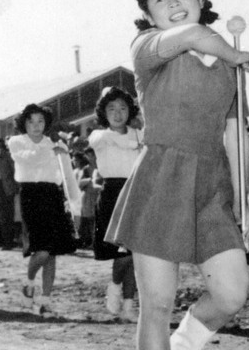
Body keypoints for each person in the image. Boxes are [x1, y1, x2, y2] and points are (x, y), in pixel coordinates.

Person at [104, 0, 249, 350]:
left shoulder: (228, 67)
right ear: (148, 14)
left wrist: (246, 199)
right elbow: (191, 36)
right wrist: (235, 52)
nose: (173, 2)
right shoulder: (147, 47)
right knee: (156, 303)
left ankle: (183, 344)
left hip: (213, 186)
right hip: (161, 179)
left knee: (231, 294)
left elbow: (235, 134)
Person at [7, 104, 79, 315]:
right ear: (24, 124)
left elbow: (68, 176)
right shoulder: (16, 142)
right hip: (30, 195)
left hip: (52, 196)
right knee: (41, 250)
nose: (36, 126)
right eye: (31, 121)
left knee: (52, 253)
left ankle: (45, 300)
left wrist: (76, 205)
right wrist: (53, 149)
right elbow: (29, 157)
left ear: (46, 123)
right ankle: (29, 281)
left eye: (40, 121)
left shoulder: (55, 144)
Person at [88, 86, 142, 322]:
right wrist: (134, 142)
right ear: (103, 112)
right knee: (122, 253)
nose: (118, 113)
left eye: (123, 108)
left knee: (135, 255)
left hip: (137, 192)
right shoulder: (98, 136)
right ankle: (114, 286)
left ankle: (129, 305)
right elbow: (116, 141)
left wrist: (139, 136)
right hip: (112, 193)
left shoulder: (139, 134)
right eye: (111, 108)